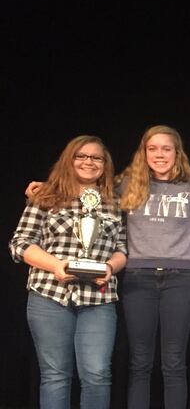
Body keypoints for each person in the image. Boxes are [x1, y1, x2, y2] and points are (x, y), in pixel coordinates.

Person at [10, 135, 127, 409]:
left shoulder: (114, 202)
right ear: (69, 159)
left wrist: (110, 267)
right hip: (49, 295)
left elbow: (122, 249)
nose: (89, 162)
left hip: (99, 299)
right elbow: (20, 244)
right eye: (81, 156)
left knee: (97, 375)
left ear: (105, 164)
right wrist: (55, 265)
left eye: (96, 157)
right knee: (55, 376)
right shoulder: (46, 196)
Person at [119, 125, 190, 409]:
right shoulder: (125, 183)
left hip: (180, 279)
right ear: (144, 152)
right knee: (140, 362)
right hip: (138, 279)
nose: (159, 154)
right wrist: (45, 190)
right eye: (153, 148)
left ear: (177, 153)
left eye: (166, 148)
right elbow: (86, 193)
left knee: (174, 363)